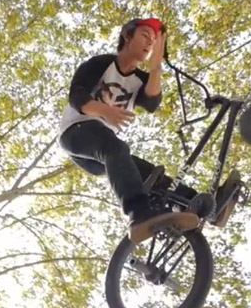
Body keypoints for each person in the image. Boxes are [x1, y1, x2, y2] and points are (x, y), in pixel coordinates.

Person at [58, 17, 240, 242]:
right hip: (76, 133)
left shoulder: (141, 79)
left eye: (153, 41)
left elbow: (152, 102)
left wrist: (156, 65)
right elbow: (77, 96)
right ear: (127, 37)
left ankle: (204, 210)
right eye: (145, 36)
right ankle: (138, 214)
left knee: (154, 178)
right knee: (115, 148)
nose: (149, 43)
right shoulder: (101, 63)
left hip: (104, 153)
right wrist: (104, 110)